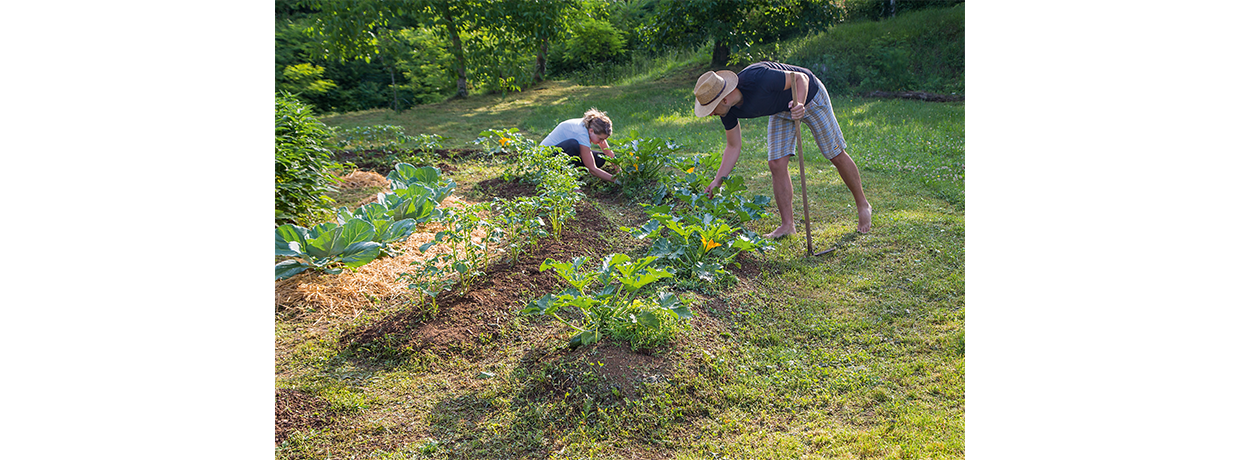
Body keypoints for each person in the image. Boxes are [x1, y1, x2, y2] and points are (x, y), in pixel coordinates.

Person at [693, 61, 872, 237]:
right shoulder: (727, 110)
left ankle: (863, 205)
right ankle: (788, 225)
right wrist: (718, 180)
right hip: (780, 110)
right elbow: (733, 146)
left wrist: (799, 104)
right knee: (776, 163)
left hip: (809, 96)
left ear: (723, 98)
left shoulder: (758, 78)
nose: (710, 114)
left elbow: (800, 78)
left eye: (711, 109)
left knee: (835, 153)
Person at [539, 108, 617, 183]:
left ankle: (576, 173)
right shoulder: (581, 133)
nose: (602, 142)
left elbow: (608, 153)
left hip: (562, 154)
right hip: (547, 158)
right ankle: (568, 180)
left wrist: (619, 171)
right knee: (573, 144)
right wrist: (615, 180)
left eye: (603, 139)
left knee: (600, 158)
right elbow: (592, 169)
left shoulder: (592, 127)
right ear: (591, 131)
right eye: (600, 139)